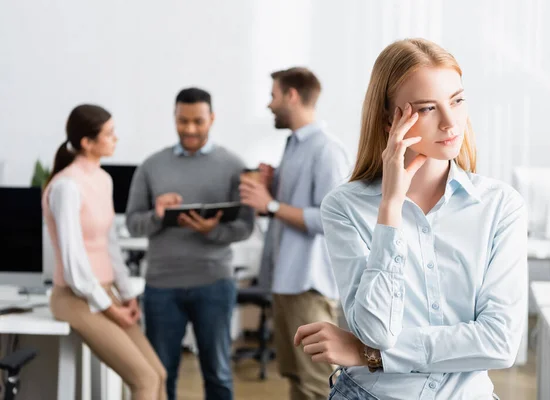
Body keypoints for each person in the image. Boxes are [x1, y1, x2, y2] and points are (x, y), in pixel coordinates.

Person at [294, 38, 527, 400]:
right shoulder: (344, 206)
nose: (451, 123)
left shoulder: (500, 206)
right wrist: (390, 207)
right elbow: (376, 329)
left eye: (457, 101)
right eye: (428, 108)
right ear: (389, 119)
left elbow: (500, 342)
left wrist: (368, 356)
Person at [125, 88, 254, 400]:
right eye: (183, 121)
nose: (190, 129)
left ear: (212, 118)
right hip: (161, 286)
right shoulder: (152, 166)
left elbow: (246, 227)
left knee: (218, 374)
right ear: (174, 118)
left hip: (215, 283)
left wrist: (212, 231)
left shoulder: (235, 165)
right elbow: (132, 223)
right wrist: (158, 215)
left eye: (198, 121)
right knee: (160, 374)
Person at [239, 67, 351, 400]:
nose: (269, 105)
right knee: (297, 379)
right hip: (286, 282)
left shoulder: (326, 150)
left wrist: (271, 204)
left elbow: (332, 220)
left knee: (317, 384)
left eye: (273, 96)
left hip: (308, 285)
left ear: (291, 95)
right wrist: (273, 189)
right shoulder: (293, 146)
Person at [43, 104, 167, 400]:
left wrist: (127, 295)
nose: (116, 138)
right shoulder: (67, 187)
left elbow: (110, 244)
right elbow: (75, 266)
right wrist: (111, 309)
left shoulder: (103, 179)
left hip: (105, 293)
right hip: (75, 298)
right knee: (144, 380)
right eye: (109, 134)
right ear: (87, 142)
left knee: (158, 374)